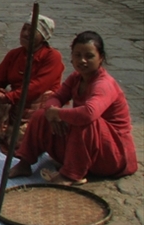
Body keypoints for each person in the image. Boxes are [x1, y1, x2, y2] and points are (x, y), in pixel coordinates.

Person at [10, 31, 138, 185]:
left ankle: (71, 174)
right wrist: (52, 114)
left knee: (84, 121)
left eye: (89, 56)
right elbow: (55, 98)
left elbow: (89, 114)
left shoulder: (104, 84)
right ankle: (25, 163)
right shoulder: (76, 78)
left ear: (101, 58)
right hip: (87, 145)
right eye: (77, 55)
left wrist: (59, 114)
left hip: (112, 152)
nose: (82, 60)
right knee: (40, 115)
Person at [0, 15, 65, 146]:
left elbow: (36, 88)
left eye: (31, 31)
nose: (25, 34)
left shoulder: (52, 57)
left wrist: (7, 98)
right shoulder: (14, 55)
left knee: (19, 144)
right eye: (24, 29)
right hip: (16, 103)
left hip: (36, 105)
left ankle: (14, 134)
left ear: (43, 36)